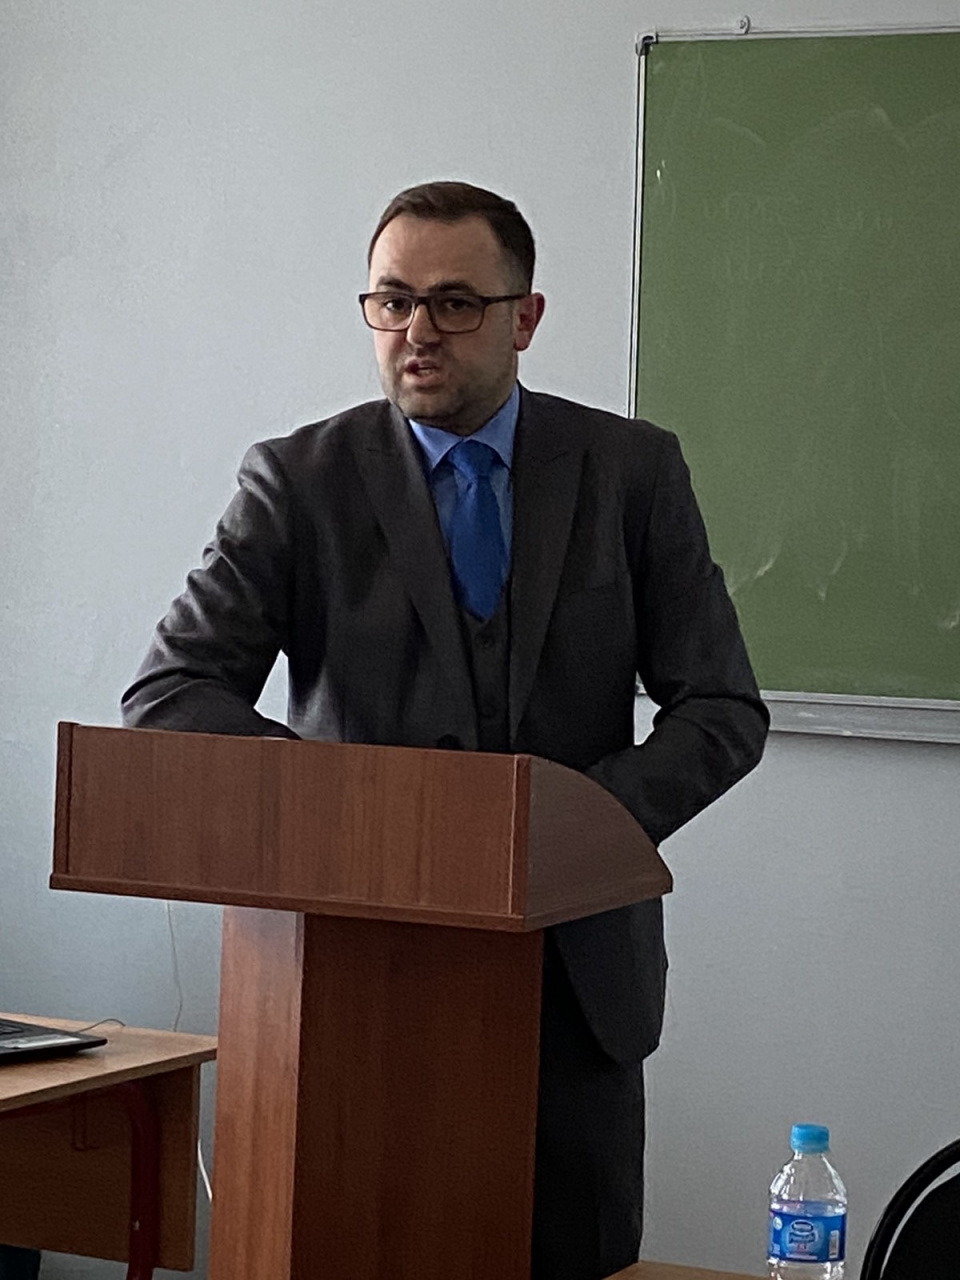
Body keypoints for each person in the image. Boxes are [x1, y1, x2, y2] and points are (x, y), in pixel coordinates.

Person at [122, 181, 768, 1280]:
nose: (417, 330)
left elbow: (722, 708)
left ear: (525, 317)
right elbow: (172, 691)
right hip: (346, 977)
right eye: (392, 300)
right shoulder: (299, 480)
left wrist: (578, 824)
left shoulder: (630, 472)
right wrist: (367, 815)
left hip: (574, 981)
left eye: (456, 303)